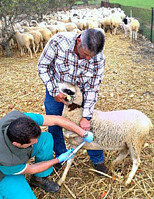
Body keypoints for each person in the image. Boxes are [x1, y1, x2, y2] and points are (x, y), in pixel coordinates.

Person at [0, 110, 93, 199]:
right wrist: (58, 159)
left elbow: (56, 119)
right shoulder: (2, 158)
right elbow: (30, 169)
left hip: (15, 156)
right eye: (32, 142)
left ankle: (39, 179)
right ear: (17, 143)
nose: (36, 142)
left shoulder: (20, 121)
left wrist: (82, 133)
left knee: (46, 139)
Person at [37, 28, 107, 173]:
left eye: (91, 56)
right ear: (79, 41)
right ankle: (61, 157)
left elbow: (93, 88)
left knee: (88, 126)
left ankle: (97, 159)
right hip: (57, 90)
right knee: (55, 123)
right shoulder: (58, 42)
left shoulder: (98, 58)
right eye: (86, 54)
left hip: (80, 95)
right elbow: (43, 67)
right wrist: (54, 90)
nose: (88, 59)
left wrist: (86, 116)